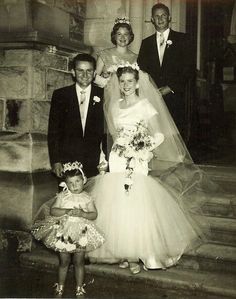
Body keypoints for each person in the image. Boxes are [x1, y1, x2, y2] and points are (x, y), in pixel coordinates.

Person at [88, 64, 209, 274]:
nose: (126, 85)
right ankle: (124, 253)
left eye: (130, 81)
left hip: (137, 158)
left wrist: (142, 148)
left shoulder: (145, 105)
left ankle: (138, 255)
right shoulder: (114, 105)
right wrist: (108, 157)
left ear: (137, 83)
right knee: (118, 204)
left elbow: (159, 135)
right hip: (118, 157)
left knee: (136, 204)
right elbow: (112, 136)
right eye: (122, 81)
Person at [31, 161, 105, 297]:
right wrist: (65, 210)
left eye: (77, 181)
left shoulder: (87, 198)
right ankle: (60, 287)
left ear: (84, 180)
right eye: (70, 183)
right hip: (63, 233)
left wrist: (83, 213)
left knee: (79, 261)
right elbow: (53, 211)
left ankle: (79, 287)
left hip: (81, 234)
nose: (74, 185)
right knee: (64, 261)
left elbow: (94, 214)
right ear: (66, 183)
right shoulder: (62, 196)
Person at [137, 3, 194, 139]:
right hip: (153, 96)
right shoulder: (146, 43)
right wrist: (151, 90)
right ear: (152, 20)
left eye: (163, 15)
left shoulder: (183, 39)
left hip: (176, 95)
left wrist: (171, 87)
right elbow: (141, 69)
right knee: (156, 133)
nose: (160, 19)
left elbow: (189, 68)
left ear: (169, 17)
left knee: (175, 134)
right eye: (156, 16)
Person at [47, 53, 106, 179]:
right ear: (73, 72)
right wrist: (55, 160)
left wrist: (106, 159)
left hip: (94, 161)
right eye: (80, 70)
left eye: (89, 71)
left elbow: (107, 131)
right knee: (68, 198)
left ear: (95, 73)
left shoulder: (103, 95)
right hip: (67, 160)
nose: (85, 75)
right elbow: (53, 131)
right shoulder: (60, 95)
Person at [94, 17, 137, 88]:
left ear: (130, 36)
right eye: (119, 34)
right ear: (114, 36)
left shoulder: (136, 58)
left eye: (126, 34)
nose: (122, 38)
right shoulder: (104, 54)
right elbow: (94, 78)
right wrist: (108, 84)